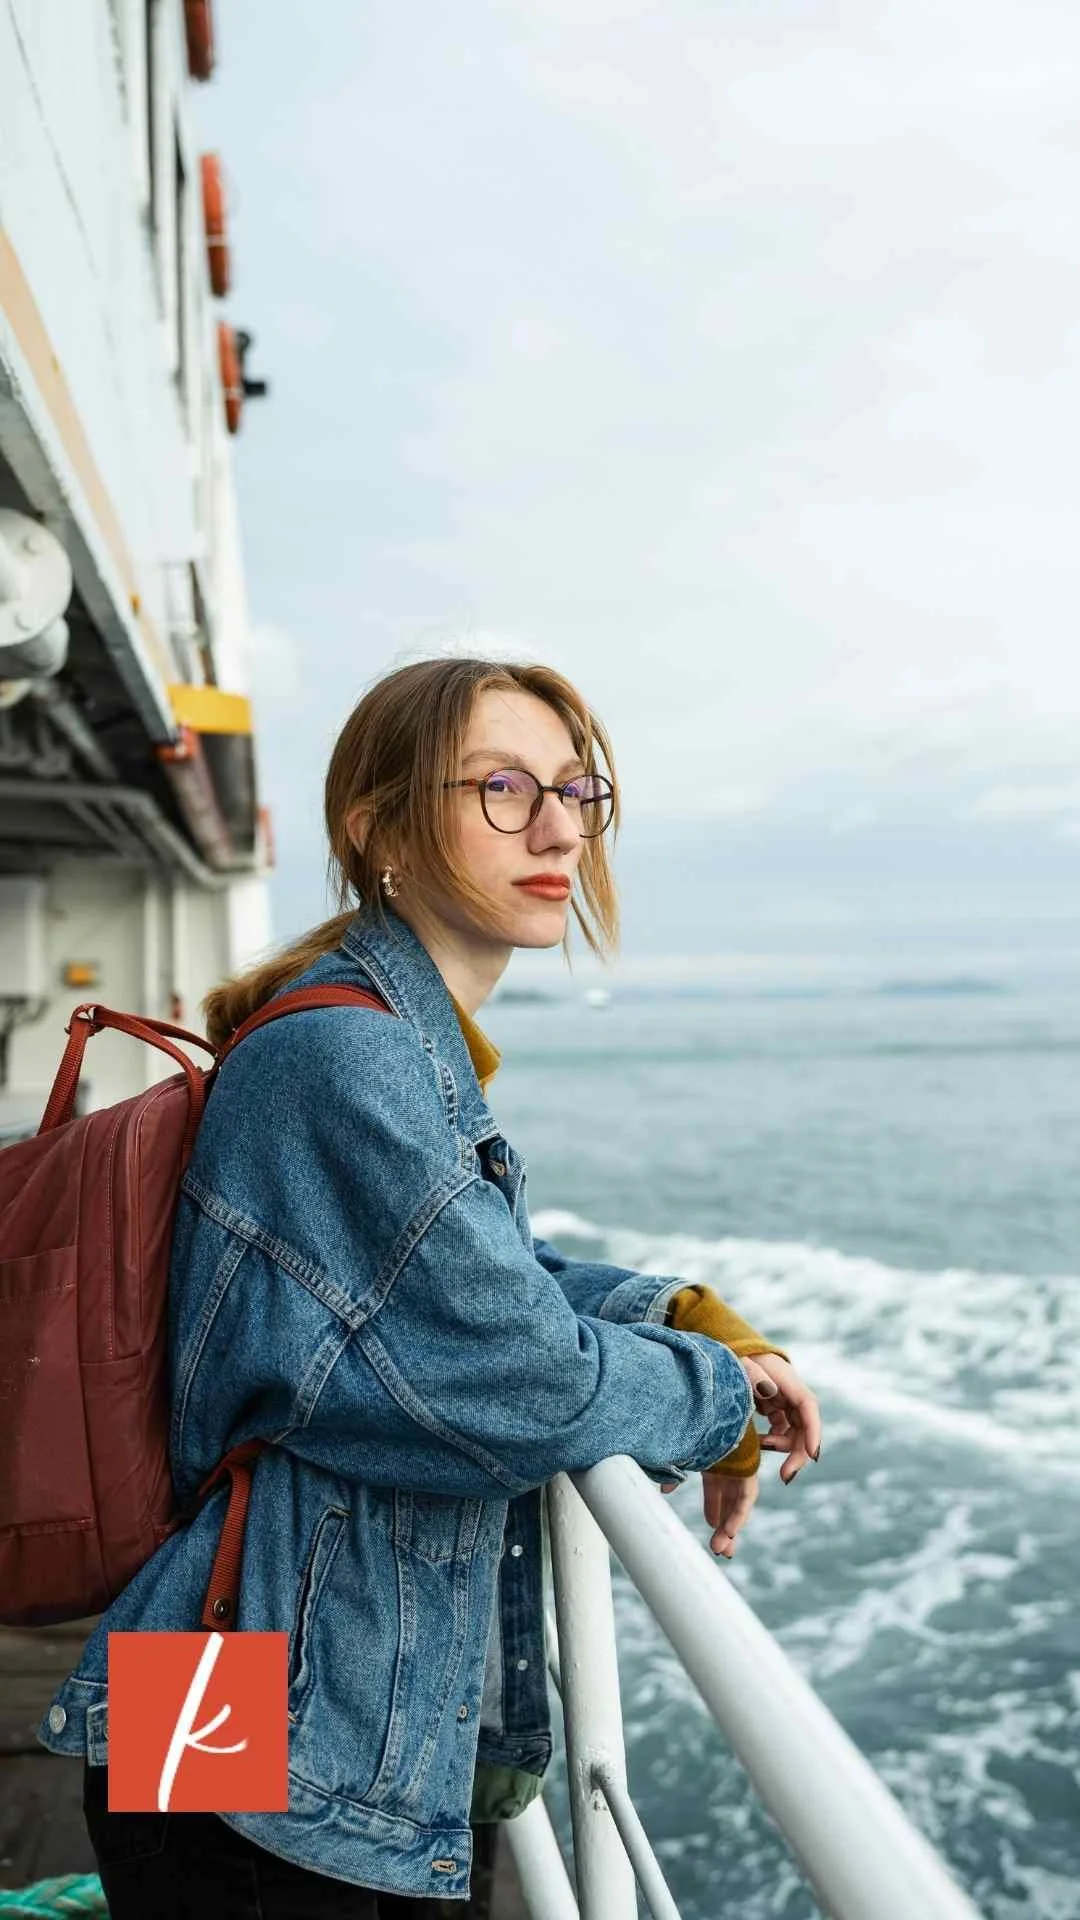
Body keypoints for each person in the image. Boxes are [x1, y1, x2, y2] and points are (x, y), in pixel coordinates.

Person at [40, 656, 821, 1917]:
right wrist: (721, 1397)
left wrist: (684, 1315)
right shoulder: (347, 1055)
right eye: (502, 788)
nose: (558, 827)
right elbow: (525, 1381)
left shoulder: (385, 1040)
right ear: (378, 825)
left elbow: (483, 1275)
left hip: (236, 1677)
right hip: (260, 1709)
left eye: (576, 789)